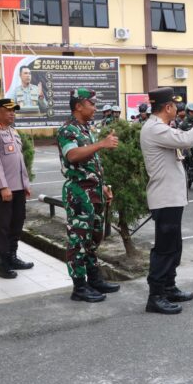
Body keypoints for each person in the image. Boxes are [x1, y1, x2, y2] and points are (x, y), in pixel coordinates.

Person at [140, 87, 193, 314]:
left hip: (172, 198)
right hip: (164, 198)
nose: (177, 109)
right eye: (175, 105)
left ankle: (168, 286)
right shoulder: (154, 128)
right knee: (165, 249)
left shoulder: (162, 127)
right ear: (167, 107)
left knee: (174, 246)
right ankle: (155, 296)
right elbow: (186, 140)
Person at [57, 88, 121, 303]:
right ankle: (79, 287)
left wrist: (102, 186)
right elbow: (72, 155)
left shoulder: (86, 129)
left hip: (94, 190)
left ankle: (94, 278)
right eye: (91, 104)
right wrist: (101, 144)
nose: (95, 108)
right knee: (78, 239)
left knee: (93, 237)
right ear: (78, 105)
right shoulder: (68, 130)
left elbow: (92, 162)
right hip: (78, 191)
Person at [0, 98, 33, 279]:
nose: (12, 114)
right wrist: (3, 187)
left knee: (17, 222)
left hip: (18, 188)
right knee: (2, 226)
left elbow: (19, 162)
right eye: (8, 110)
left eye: (14, 111)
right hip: (3, 190)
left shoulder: (12, 132)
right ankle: (2, 264)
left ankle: (12, 257)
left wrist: (25, 184)